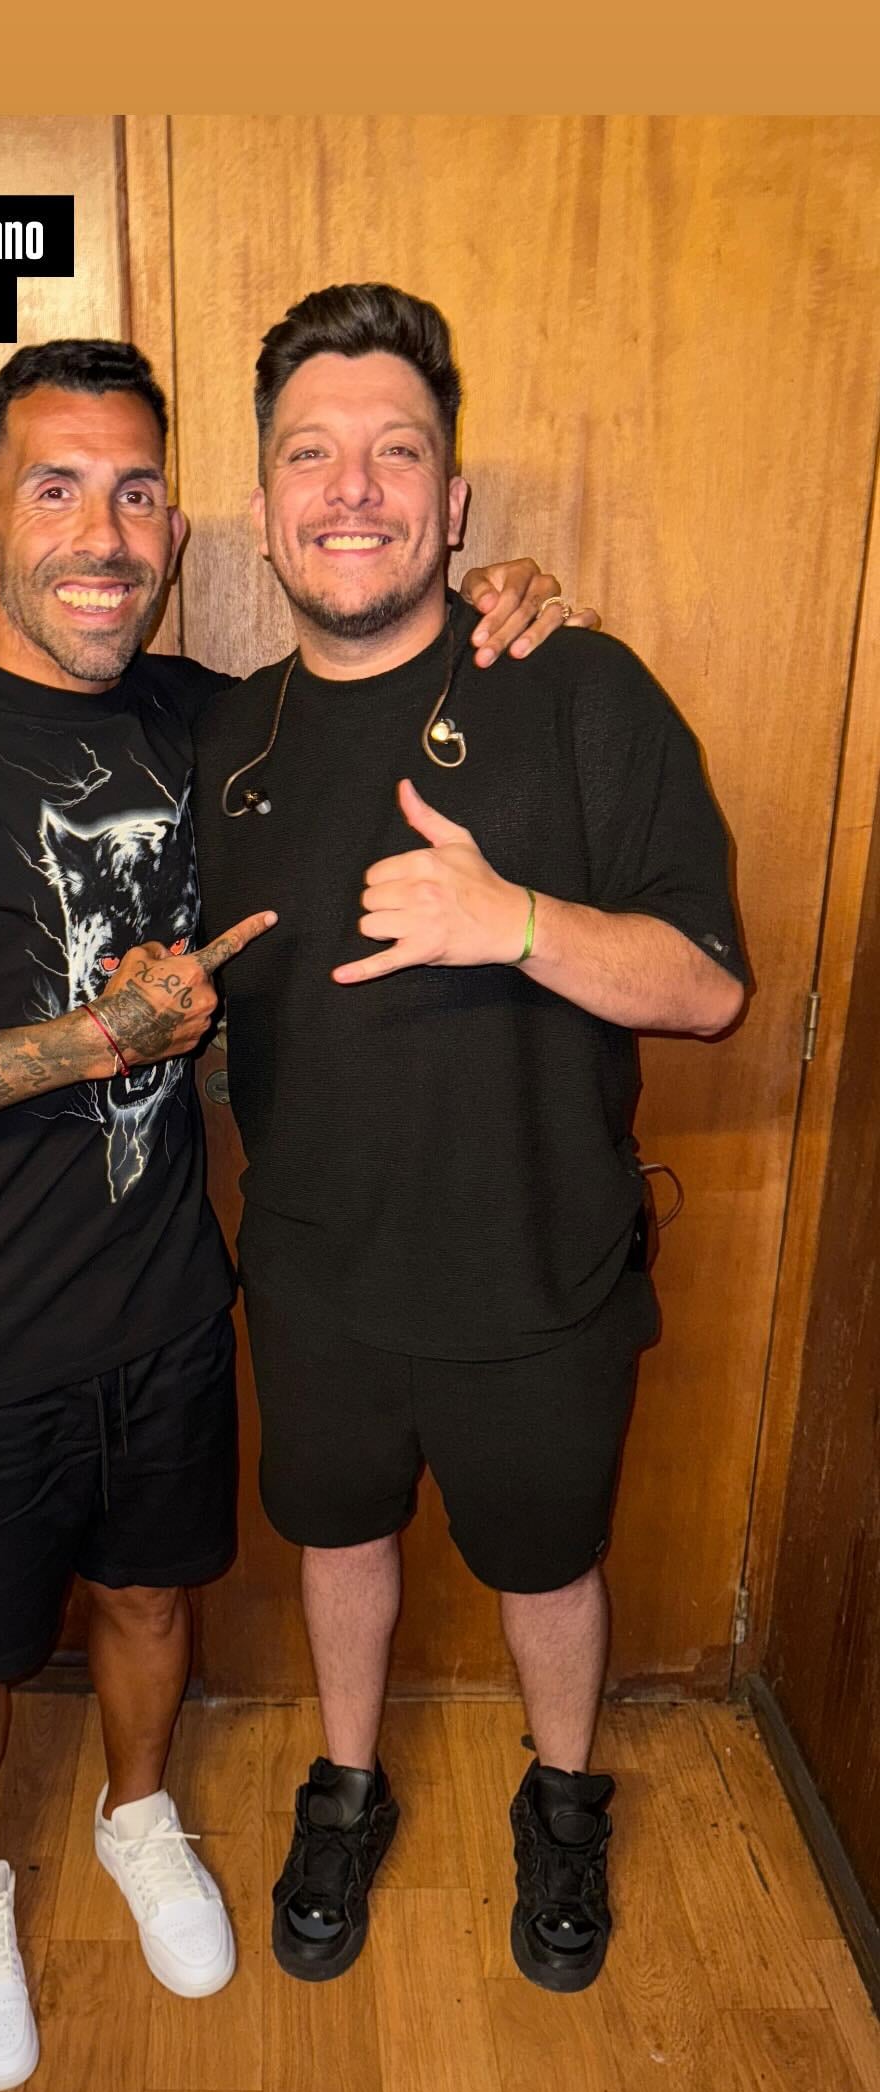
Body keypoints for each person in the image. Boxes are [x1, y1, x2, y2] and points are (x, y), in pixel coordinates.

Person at [0, 333, 593, 2091]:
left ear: (177, 526)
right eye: (55, 491)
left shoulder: (194, 712)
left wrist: (501, 594)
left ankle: (140, 1815)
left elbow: (367, 669)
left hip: (167, 1292)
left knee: (158, 1596)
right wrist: (94, 1036)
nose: (102, 533)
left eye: (137, 490)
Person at [191, 283, 746, 1995]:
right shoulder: (219, 738)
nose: (351, 488)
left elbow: (712, 988)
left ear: (453, 508)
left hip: (542, 1273)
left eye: (395, 454)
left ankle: (562, 1800)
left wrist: (510, 919)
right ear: (268, 496)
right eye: (313, 453)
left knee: (547, 1564)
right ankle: (344, 1787)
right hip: (317, 1277)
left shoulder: (579, 687)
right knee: (337, 1541)